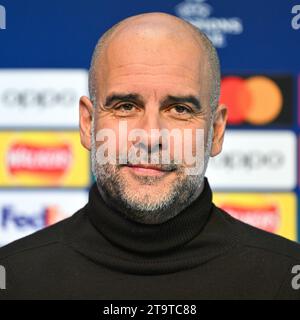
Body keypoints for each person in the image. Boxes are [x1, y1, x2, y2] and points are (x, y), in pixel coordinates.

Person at [0, 12, 300, 300]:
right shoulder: (12, 281)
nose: (151, 135)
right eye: (126, 106)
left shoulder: (286, 280)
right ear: (88, 123)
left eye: (180, 109)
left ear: (216, 131)